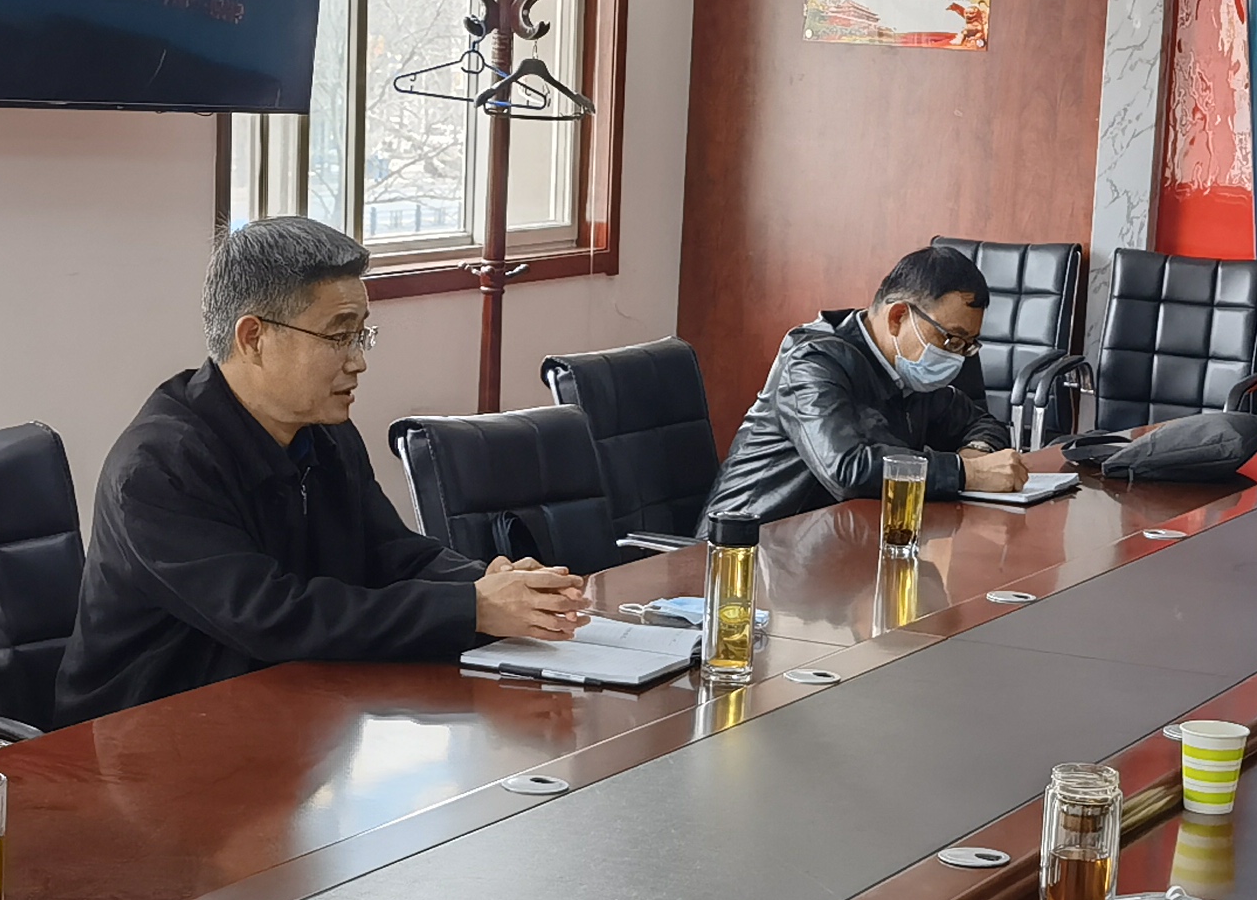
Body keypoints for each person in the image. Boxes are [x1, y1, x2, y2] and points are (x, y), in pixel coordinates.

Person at [55, 217, 587, 720]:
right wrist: (469, 608)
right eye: (338, 336)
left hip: (286, 713)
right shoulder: (159, 467)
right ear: (253, 338)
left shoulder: (325, 433)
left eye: (361, 335)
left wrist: (496, 584)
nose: (358, 361)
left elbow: (390, 553)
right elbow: (272, 615)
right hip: (140, 738)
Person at [704, 246, 1030, 532]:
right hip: (748, 553)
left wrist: (976, 453)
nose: (956, 356)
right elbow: (847, 468)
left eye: (967, 345)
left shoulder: (912, 372)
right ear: (898, 317)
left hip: (837, 548)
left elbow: (981, 422)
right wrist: (965, 473)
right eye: (951, 339)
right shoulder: (814, 362)